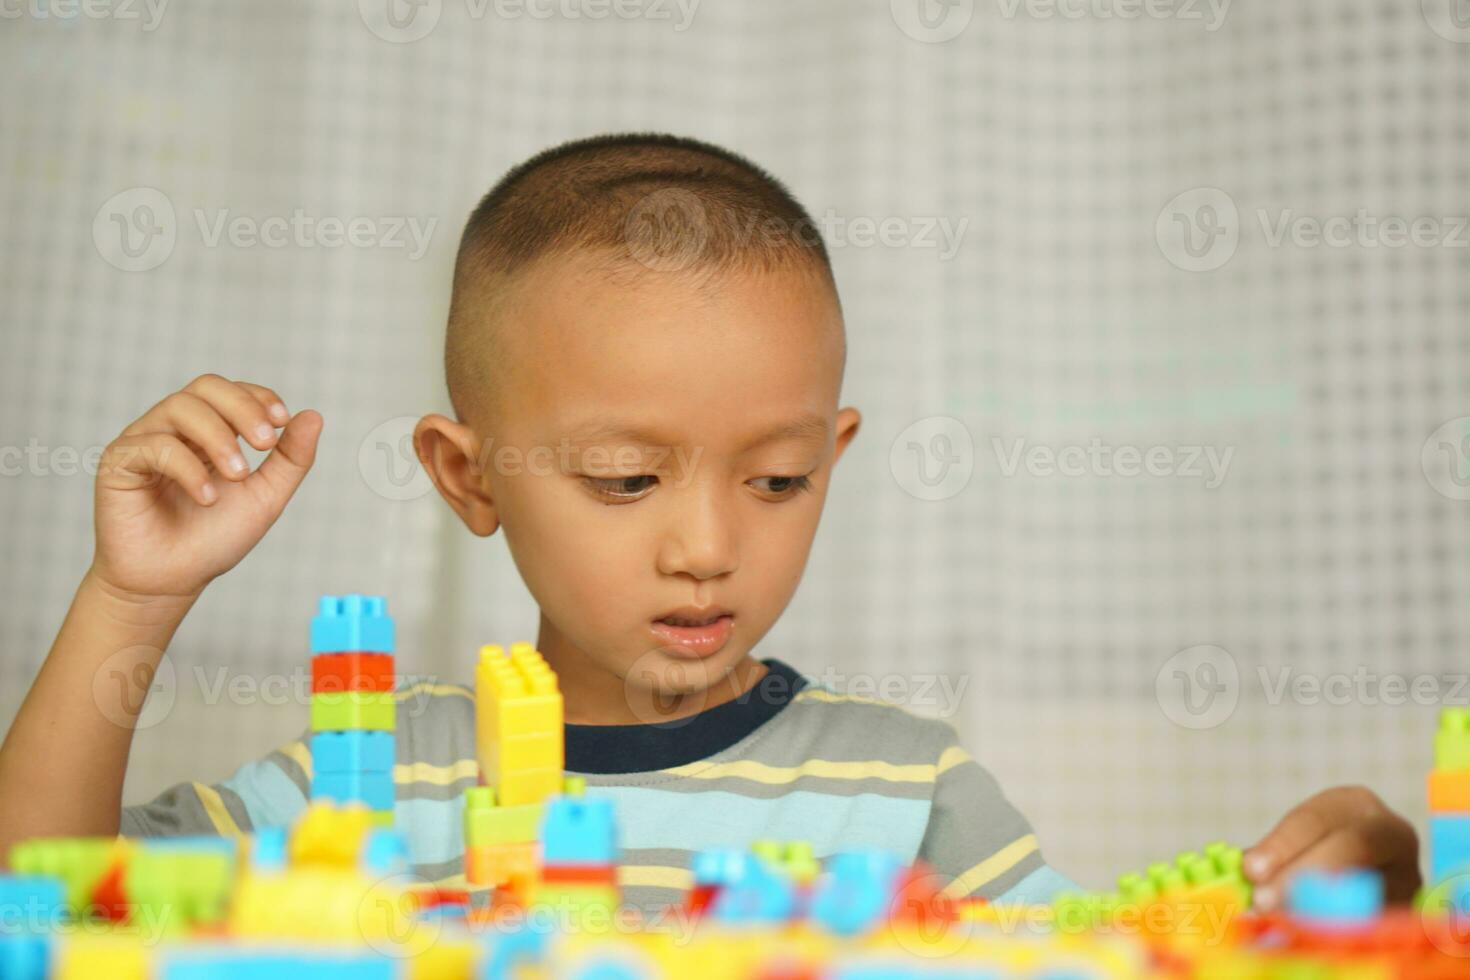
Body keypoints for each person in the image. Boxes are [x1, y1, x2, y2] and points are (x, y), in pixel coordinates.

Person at [0, 134, 1421, 914]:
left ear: (835, 454)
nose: (707, 545)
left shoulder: (904, 786)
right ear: (466, 475)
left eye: (777, 478)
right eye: (626, 477)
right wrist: (133, 601)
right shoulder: (363, 788)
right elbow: (44, 905)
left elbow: (1109, 954)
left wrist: (1328, 888)